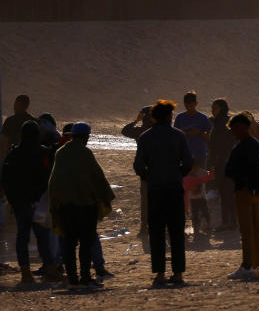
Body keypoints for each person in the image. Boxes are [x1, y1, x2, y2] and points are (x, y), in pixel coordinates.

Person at [134, 100, 194, 287]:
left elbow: (138, 165)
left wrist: (149, 176)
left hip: (155, 190)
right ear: (169, 116)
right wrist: (178, 174)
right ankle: (178, 273)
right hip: (174, 188)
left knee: (157, 232)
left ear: (153, 117)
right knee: (176, 231)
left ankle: (159, 273)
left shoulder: (145, 137)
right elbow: (189, 162)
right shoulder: (179, 136)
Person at [47, 122, 114, 289]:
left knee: (69, 243)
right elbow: (97, 177)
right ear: (85, 136)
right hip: (86, 205)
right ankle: (85, 278)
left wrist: (54, 202)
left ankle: (72, 279)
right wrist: (107, 196)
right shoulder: (85, 153)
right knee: (86, 242)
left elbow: (54, 180)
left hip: (65, 205)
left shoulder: (60, 153)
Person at [1, 120, 58, 283]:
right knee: (43, 237)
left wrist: (12, 200)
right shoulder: (43, 153)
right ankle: (50, 270)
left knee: (22, 237)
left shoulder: (14, 154)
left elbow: (6, 178)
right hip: (38, 202)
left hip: (20, 203)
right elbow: (48, 176)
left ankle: (26, 273)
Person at [224, 113, 259, 280]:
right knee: (256, 229)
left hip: (244, 191)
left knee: (247, 230)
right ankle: (257, 266)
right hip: (254, 191)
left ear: (241, 127)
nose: (234, 132)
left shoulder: (243, 146)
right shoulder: (254, 144)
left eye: (235, 128)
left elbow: (230, 170)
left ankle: (247, 265)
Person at [122, 106, 155, 246]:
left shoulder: (140, 131)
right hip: (159, 170)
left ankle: (144, 228)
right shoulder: (158, 130)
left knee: (145, 201)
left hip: (146, 170)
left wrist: (137, 120)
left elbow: (125, 131)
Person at [208, 98, 237, 231]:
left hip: (222, 164)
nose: (212, 111)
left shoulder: (220, 124)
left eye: (215, 108)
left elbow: (216, 146)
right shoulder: (230, 121)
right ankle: (233, 222)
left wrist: (212, 163)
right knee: (230, 193)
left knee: (225, 194)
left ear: (221, 109)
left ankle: (227, 222)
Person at [174, 92, 212, 169]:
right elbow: (175, 137)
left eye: (191, 104)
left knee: (200, 179)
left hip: (200, 154)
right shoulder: (179, 117)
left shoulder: (203, 118)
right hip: (184, 154)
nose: (189, 106)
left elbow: (210, 137)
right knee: (185, 179)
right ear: (184, 104)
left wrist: (199, 133)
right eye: (187, 104)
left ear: (196, 103)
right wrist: (185, 134)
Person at [183, 164, 214, 235]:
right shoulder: (188, 177)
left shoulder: (198, 174)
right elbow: (208, 177)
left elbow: (208, 177)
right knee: (196, 213)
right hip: (194, 198)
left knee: (203, 211)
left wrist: (186, 210)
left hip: (201, 197)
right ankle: (197, 227)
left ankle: (206, 224)